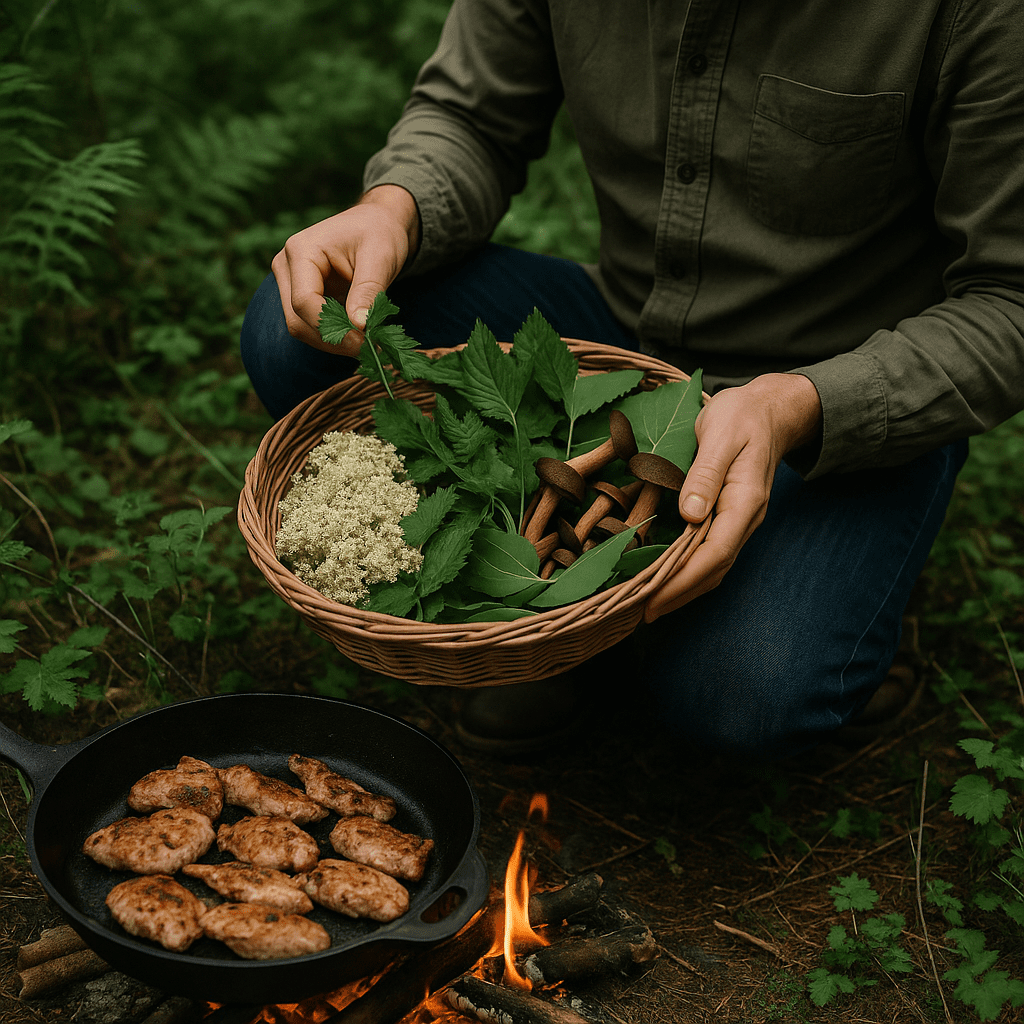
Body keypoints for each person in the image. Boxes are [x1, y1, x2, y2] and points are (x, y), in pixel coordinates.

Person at [241, 0, 1024, 759]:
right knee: (305, 332)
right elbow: (471, 117)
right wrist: (393, 208)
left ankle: (828, 587)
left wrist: (803, 405)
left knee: (738, 692)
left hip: (832, 396)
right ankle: (567, 621)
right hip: (622, 336)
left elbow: (1009, 300)